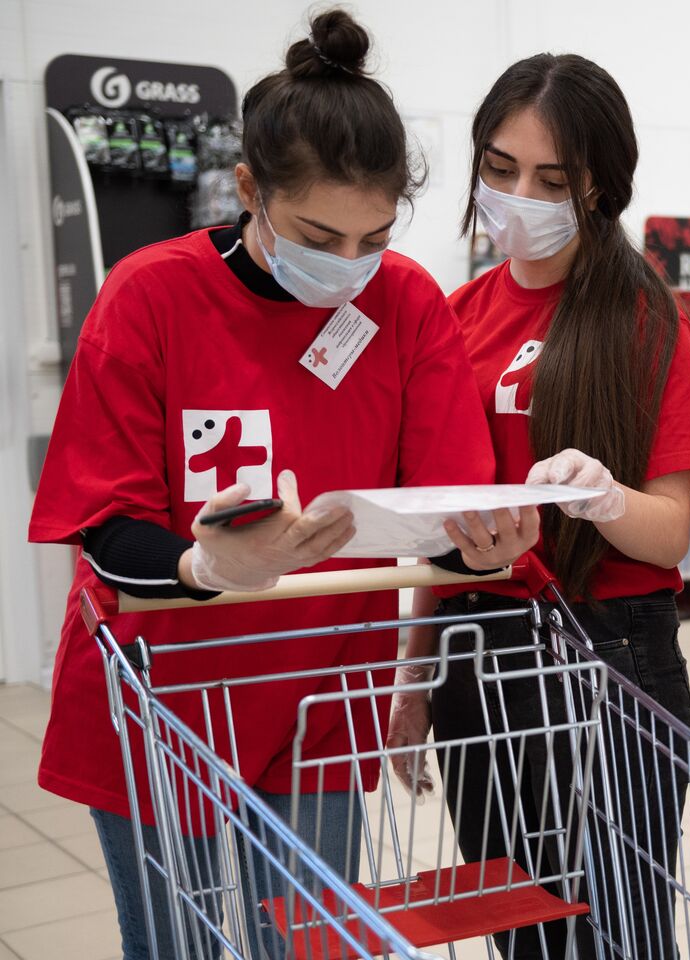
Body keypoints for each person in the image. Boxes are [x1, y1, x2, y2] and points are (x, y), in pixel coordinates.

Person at [28, 11, 536, 959]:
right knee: (176, 941)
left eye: (374, 235)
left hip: (320, 687)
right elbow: (102, 518)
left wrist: (488, 535)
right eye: (317, 233)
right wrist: (206, 562)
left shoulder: (407, 303)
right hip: (163, 687)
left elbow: (444, 492)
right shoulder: (151, 297)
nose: (349, 267)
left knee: (306, 944)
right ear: (249, 190)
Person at [386, 53, 690, 959]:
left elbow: (665, 537)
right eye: (499, 169)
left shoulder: (643, 320)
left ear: (600, 189)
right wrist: (416, 675)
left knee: (613, 931)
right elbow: (440, 527)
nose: (517, 196)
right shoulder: (453, 317)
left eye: (552, 180)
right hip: (474, 647)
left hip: (605, 653)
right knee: (519, 927)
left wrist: (602, 497)